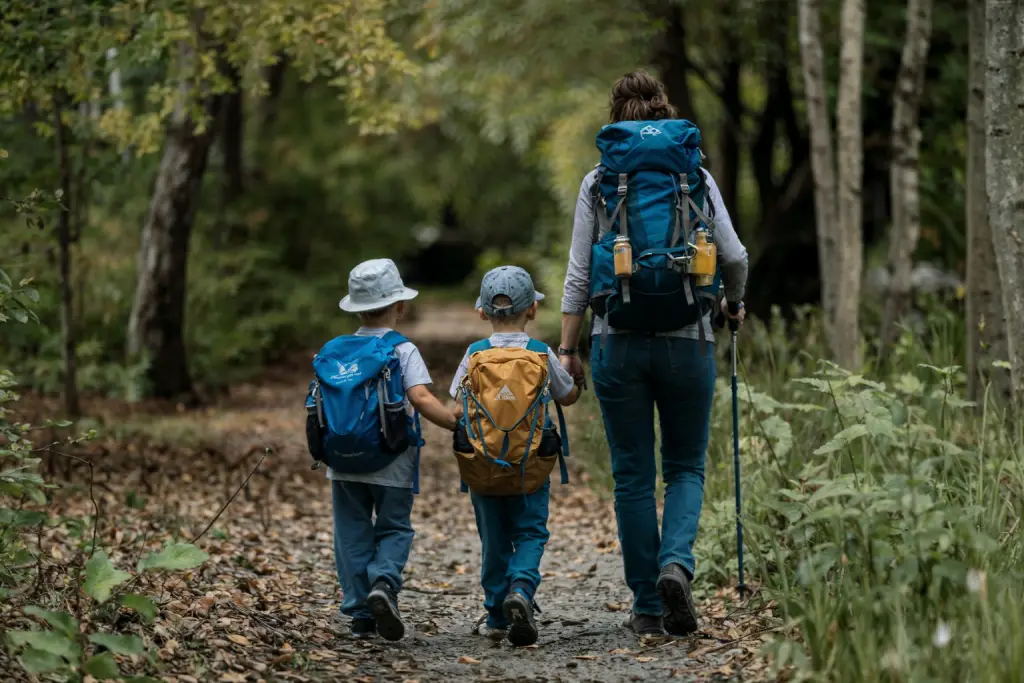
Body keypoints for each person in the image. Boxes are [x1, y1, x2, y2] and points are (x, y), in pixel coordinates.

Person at [557, 71, 748, 637]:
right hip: (689, 341)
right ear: (665, 112)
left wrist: (568, 350)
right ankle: (676, 565)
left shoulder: (599, 180)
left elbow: (575, 277)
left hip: (616, 342)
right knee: (686, 466)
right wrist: (733, 306)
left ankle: (645, 604)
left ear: (616, 116)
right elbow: (733, 258)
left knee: (633, 476)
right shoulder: (695, 174)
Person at [322, 258, 458, 641]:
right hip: (393, 456)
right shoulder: (402, 349)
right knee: (394, 526)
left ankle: (361, 612)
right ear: (400, 306)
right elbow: (420, 398)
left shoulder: (335, 350)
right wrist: (453, 423)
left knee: (350, 531)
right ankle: (384, 583)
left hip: (342, 459)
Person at [449, 266, 581, 646]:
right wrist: (579, 381)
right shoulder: (540, 355)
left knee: (493, 539)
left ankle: (495, 614)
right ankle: (521, 590)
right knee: (530, 531)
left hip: (483, 466)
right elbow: (566, 395)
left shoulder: (474, 354)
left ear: (481, 312)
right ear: (533, 311)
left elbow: (458, 405)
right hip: (531, 465)